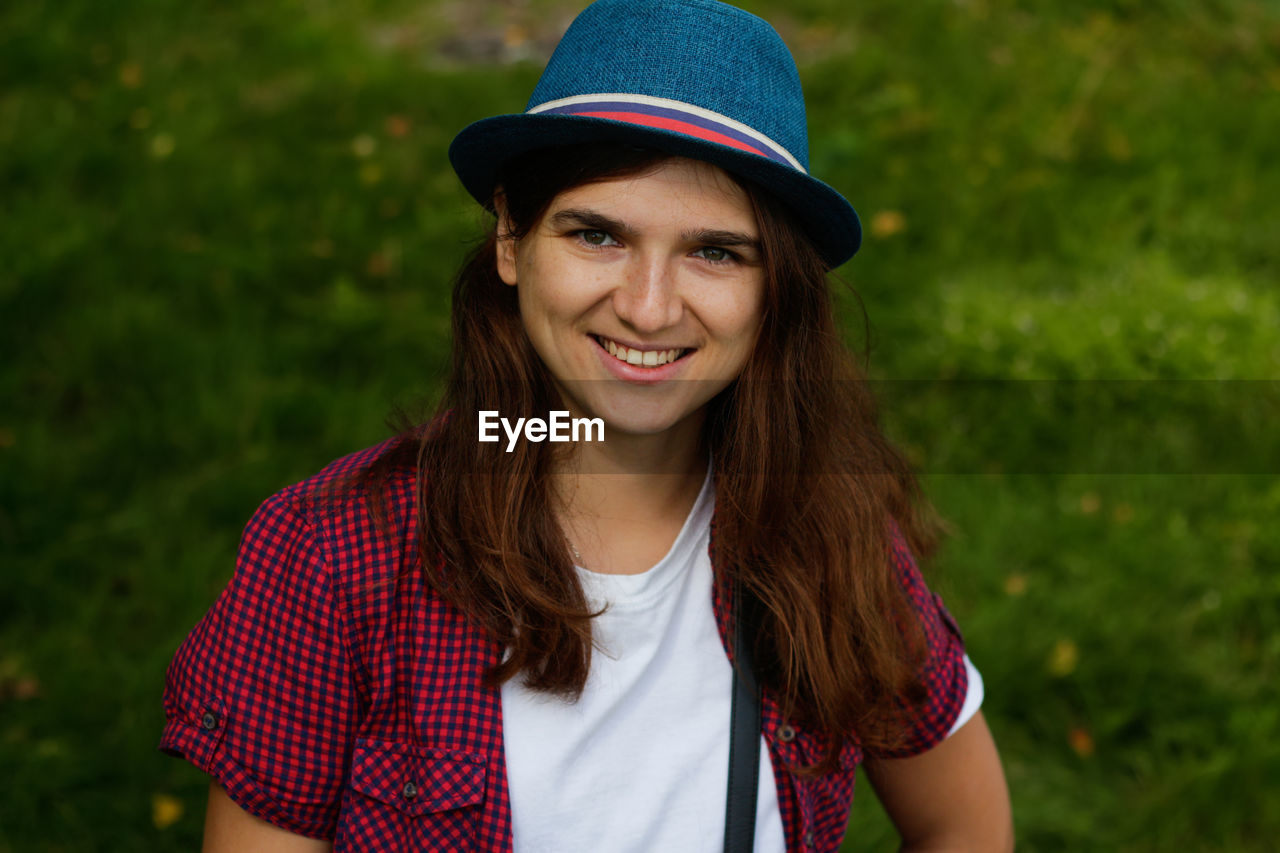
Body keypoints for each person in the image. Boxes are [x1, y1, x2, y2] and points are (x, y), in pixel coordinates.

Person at [160, 0, 1013, 850]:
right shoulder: (330, 554)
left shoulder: (825, 522)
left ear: (774, 288)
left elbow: (961, 822)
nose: (647, 308)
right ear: (509, 236)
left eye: (715, 251)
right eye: (597, 234)